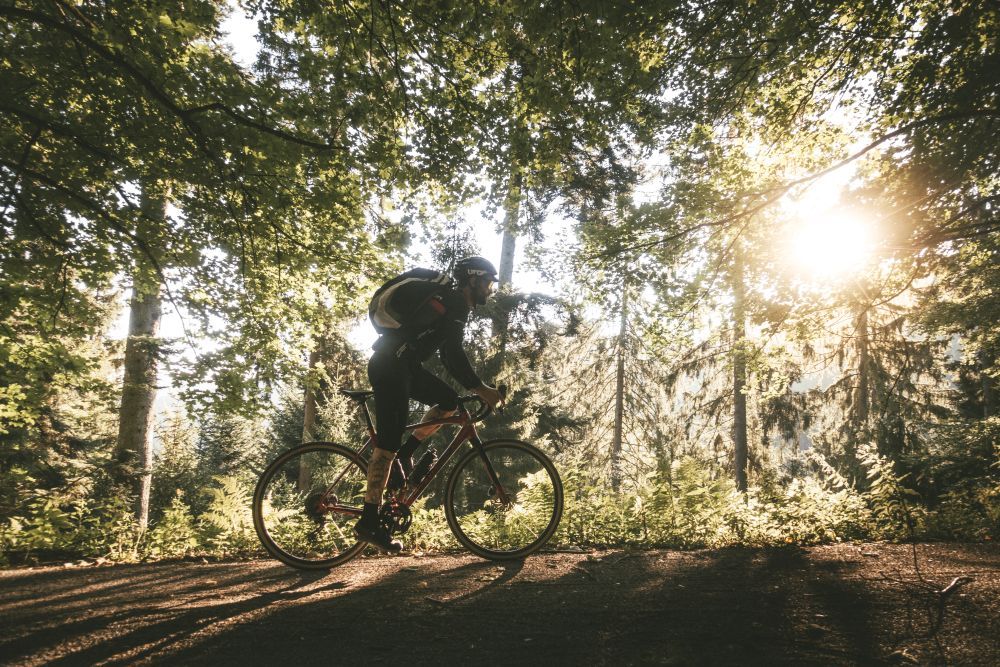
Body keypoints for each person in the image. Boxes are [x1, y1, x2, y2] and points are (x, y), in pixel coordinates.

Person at [354, 256, 504, 553]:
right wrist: (481, 389)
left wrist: (476, 387)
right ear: (472, 280)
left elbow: (449, 353)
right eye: (487, 282)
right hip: (390, 367)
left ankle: (406, 454)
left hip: (403, 366)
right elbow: (452, 354)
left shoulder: (451, 304)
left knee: (448, 401)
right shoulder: (455, 302)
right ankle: (369, 521)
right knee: (387, 443)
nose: (490, 289)